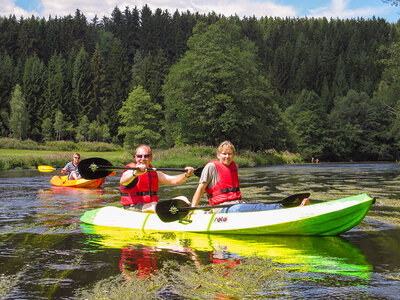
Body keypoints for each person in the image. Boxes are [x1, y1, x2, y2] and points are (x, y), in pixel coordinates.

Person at [191, 141, 284, 213]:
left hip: (237, 204)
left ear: (234, 155)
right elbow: (200, 188)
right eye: (224, 154)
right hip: (221, 208)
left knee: (259, 205)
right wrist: (192, 208)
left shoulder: (233, 166)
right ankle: (282, 210)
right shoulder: (211, 167)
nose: (227, 156)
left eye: (230, 154)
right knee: (258, 207)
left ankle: (281, 209)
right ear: (218, 155)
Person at [120, 144, 194, 213]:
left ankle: (189, 212)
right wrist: (135, 173)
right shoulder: (131, 169)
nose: (142, 159)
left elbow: (173, 180)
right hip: (133, 206)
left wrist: (186, 175)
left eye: (146, 156)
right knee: (154, 205)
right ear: (135, 157)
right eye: (139, 156)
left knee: (182, 198)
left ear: (151, 157)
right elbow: (123, 181)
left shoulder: (154, 172)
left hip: (151, 205)